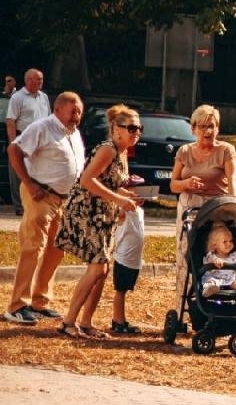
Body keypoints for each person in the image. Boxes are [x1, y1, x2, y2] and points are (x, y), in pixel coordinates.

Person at [53, 105, 142, 338]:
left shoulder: (122, 152)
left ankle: (86, 322)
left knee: (103, 269)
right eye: (132, 128)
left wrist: (126, 195)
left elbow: (109, 183)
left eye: (139, 128)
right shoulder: (107, 149)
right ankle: (68, 322)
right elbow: (86, 180)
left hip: (103, 215)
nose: (137, 133)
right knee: (97, 267)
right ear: (116, 128)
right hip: (86, 212)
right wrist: (118, 199)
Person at [3, 92, 84, 325]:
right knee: (33, 247)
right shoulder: (42, 127)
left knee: (56, 249)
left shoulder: (73, 132)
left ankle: (39, 302)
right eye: (72, 111)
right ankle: (17, 305)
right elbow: (14, 150)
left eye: (79, 111)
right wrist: (29, 184)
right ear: (57, 109)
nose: (77, 116)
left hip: (63, 199)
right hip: (41, 195)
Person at [170, 105, 236, 315]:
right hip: (189, 208)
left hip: (215, 208)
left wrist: (233, 203)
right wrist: (186, 183)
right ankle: (181, 306)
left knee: (215, 252)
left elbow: (233, 179)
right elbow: (173, 184)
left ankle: (220, 300)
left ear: (218, 128)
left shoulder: (226, 150)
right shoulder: (184, 151)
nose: (208, 131)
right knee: (186, 256)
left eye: (212, 126)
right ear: (193, 129)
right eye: (202, 127)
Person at [5, 68, 48, 216]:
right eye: (38, 79)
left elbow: (48, 120)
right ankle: (20, 206)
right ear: (29, 80)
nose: (41, 82)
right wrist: (13, 143)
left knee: (37, 172)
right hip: (22, 138)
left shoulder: (44, 97)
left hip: (40, 140)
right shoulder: (18, 97)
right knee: (19, 172)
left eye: (41, 79)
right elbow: (10, 121)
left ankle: (35, 203)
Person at [109, 183, 147, 336]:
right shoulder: (123, 210)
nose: (136, 195)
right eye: (132, 191)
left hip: (134, 259)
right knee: (121, 290)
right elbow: (118, 213)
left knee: (125, 289)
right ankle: (118, 321)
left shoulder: (139, 211)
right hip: (124, 258)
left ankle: (121, 319)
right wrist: (124, 200)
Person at [200, 224, 236, 299]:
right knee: (211, 282)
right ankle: (208, 290)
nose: (228, 243)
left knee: (235, 283)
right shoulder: (212, 256)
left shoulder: (234, 256)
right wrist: (215, 261)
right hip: (215, 278)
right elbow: (209, 261)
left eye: (231, 241)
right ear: (215, 245)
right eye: (225, 242)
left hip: (230, 279)